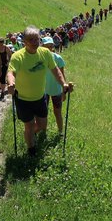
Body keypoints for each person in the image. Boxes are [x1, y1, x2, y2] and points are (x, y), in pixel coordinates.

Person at [7, 26, 73, 156]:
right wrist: (11, 83)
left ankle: (29, 134)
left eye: (37, 39)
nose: (35, 42)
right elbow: (11, 72)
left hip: (40, 97)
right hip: (23, 99)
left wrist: (63, 84)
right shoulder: (18, 56)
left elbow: (56, 71)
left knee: (42, 126)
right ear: (24, 41)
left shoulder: (45, 53)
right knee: (30, 125)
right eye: (31, 39)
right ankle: (31, 149)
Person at [42, 37, 67, 135]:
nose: (49, 48)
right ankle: (43, 132)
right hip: (43, 90)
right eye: (47, 46)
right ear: (42, 46)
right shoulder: (39, 58)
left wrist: (64, 92)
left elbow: (62, 75)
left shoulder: (58, 58)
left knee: (57, 112)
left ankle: (60, 132)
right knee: (43, 114)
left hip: (57, 90)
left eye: (51, 46)